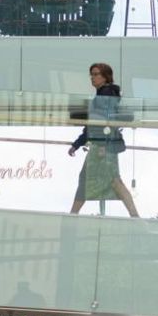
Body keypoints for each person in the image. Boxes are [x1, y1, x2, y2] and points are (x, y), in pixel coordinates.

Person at [68, 62, 139, 217]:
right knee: (112, 180)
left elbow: (105, 122)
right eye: (91, 74)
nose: (92, 78)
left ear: (105, 77)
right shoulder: (104, 94)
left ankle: (73, 215)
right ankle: (135, 216)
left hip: (102, 145)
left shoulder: (105, 94)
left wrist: (102, 144)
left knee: (107, 180)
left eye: (96, 74)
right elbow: (95, 124)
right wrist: (77, 144)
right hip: (102, 144)